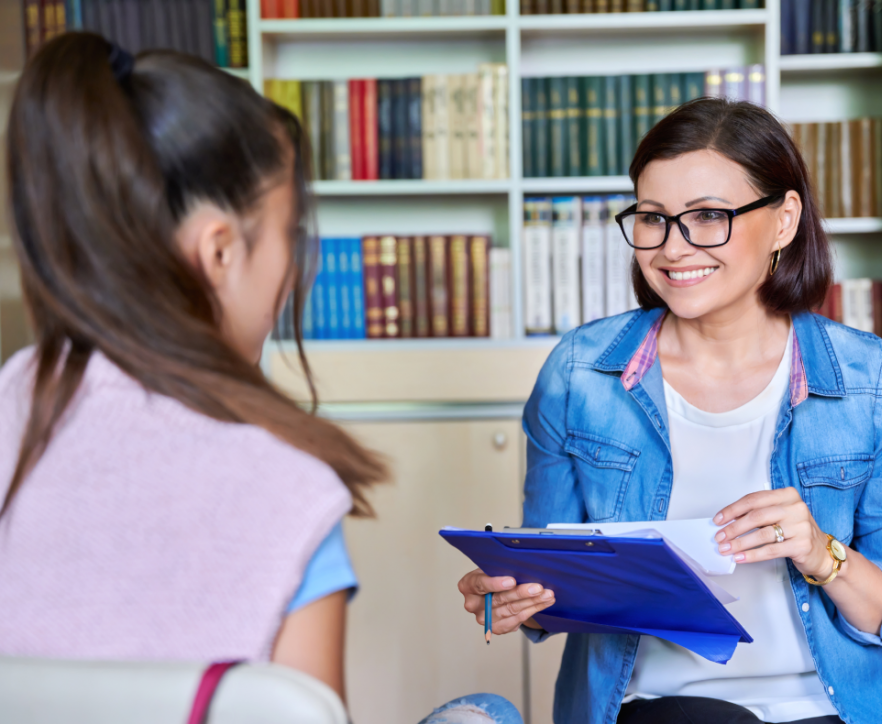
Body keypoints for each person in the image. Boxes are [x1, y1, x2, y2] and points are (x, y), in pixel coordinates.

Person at [0, 32, 521, 724]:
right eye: (289, 232)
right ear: (220, 250)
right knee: (486, 714)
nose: (293, 268)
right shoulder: (288, 483)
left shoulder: (13, 401)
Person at [458, 98, 882, 724]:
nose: (673, 247)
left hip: (837, 708)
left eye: (709, 216)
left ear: (784, 220)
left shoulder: (876, 384)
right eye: (653, 218)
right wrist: (510, 596)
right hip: (659, 708)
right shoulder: (580, 375)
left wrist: (820, 553)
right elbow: (552, 574)